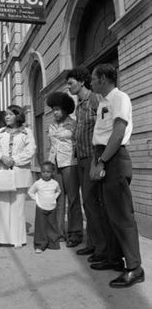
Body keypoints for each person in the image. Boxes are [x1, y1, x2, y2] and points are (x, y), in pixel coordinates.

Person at [90, 63, 144, 288]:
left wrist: (102, 161)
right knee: (108, 213)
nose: (90, 82)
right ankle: (115, 259)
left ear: (103, 78)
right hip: (102, 155)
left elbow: (118, 132)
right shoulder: (103, 101)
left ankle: (135, 268)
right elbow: (100, 135)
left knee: (122, 215)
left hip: (114, 157)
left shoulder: (119, 97)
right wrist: (96, 160)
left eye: (93, 78)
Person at [67, 67, 107, 262]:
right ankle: (92, 244)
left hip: (94, 158)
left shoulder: (95, 99)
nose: (68, 87)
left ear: (82, 81)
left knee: (93, 203)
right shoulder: (78, 106)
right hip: (81, 159)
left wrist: (100, 160)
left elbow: (106, 128)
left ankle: (102, 248)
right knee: (88, 203)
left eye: (71, 83)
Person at [0, 105, 36, 249]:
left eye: (10, 114)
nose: (7, 117)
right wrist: (2, 157)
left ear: (18, 116)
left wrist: (14, 160)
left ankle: (17, 239)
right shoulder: (0, 132)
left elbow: (31, 151)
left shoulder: (27, 132)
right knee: (1, 206)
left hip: (19, 173)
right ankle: (0, 239)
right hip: (2, 173)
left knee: (18, 207)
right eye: (6, 115)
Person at [47, 92, 83, 247]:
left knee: (73, 199)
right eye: (53, 109)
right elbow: (52, 147)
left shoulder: (74, 124)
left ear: (65, 109)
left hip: (70, 164)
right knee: (58, 199)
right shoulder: (51, 125)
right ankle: (59, 233)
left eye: (57, 109)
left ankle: (75, 233)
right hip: (55, 165)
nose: (55, 112)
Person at [28, 161, 61, 254]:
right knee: (40, 227)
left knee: (52, 226)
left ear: (52, 172)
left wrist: (54, 198)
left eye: (48, 172)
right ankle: (40, 245)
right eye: (43, 171)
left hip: (52, 208)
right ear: (40, 172)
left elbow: (58, 191)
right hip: (40, 208)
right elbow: (30, 192)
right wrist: (37, 200)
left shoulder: (55, 183)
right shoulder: (37, 183)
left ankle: (53, 243)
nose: (46, 174)